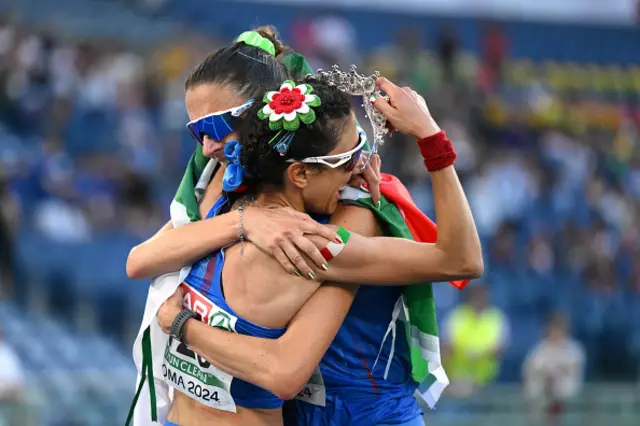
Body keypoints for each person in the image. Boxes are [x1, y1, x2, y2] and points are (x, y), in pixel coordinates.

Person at [129, 28, 482, 426]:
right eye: (198, 133)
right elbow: (138, 261)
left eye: (214, 130)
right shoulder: (223, 194)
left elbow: (283, 373)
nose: (207, 148)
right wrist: (429, 137)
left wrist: (180, 324)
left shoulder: (329, 223)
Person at [523, 313, 585, 421]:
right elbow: (529, 373)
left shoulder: (574, 350)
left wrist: (557, 376)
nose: (556, 332)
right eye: (554, 327)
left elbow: (575, 375)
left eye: (559, 327)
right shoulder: (538, 351)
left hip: (567, 401)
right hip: (541, 400)